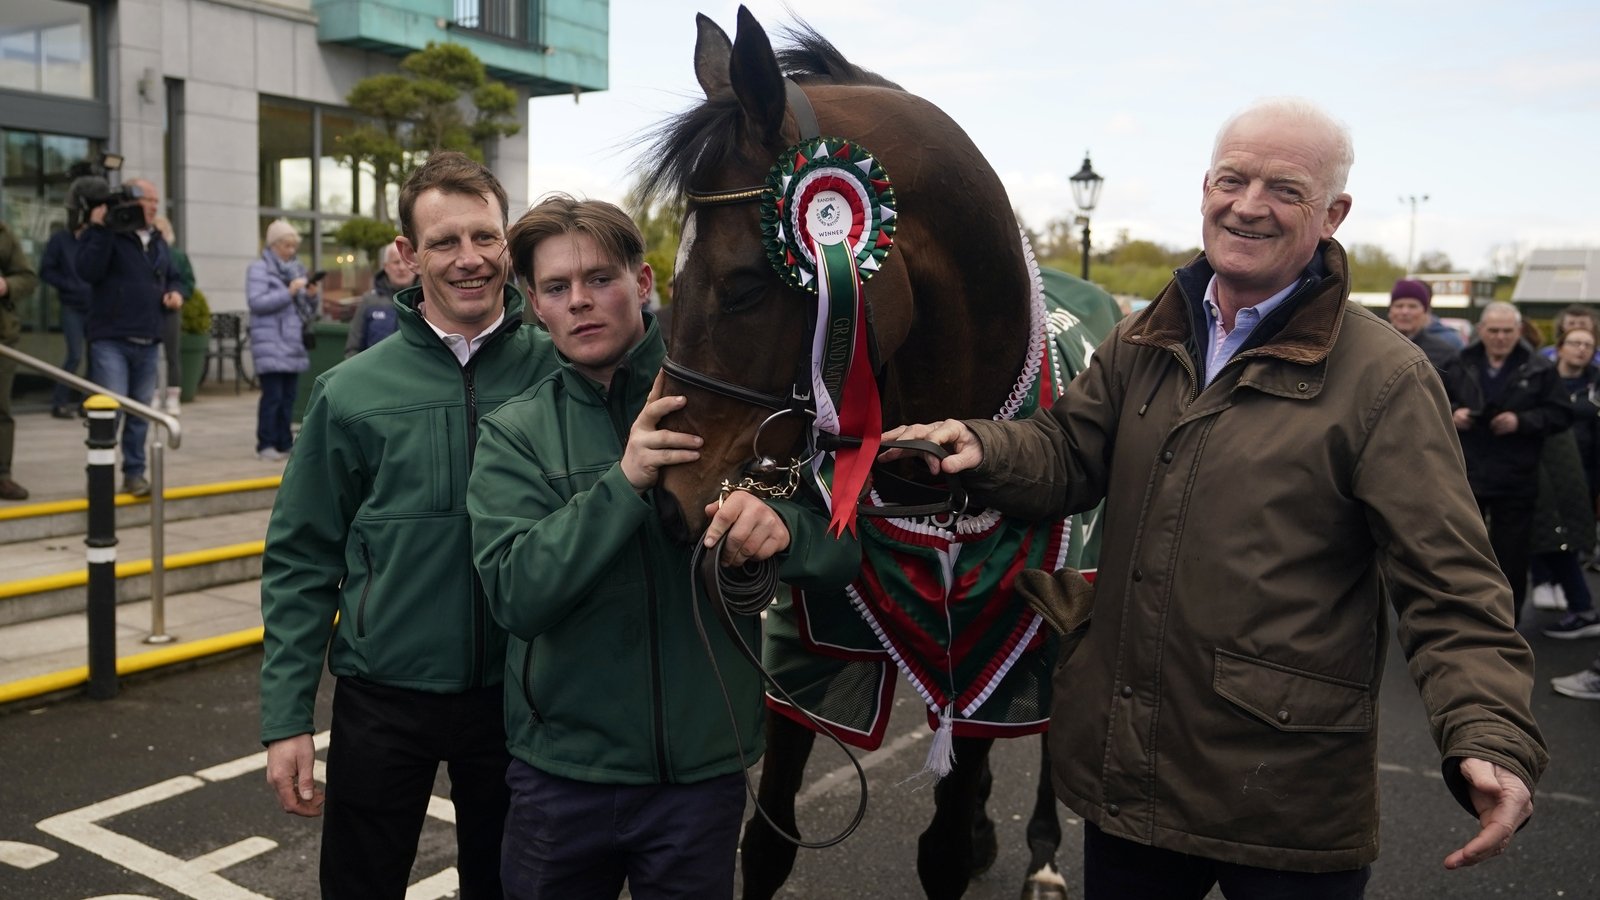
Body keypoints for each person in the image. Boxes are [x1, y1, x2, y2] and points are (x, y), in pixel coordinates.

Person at [885, 98, 1546, 898]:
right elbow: (1068, 455)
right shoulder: (1146, 336)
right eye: (1232, 179)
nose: (1249, 204)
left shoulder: (1387, 379)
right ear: (1205, 188)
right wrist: (984, 443)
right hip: (1131, 782)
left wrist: (1487, 732)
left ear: (1333, 214)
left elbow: (1452, 585)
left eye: (1285, 188)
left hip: (1283, 802)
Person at [468, 195, 859, 899]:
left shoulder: (738, 404)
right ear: (534, 303)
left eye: (600, 279)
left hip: (700, 780)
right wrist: (624, 482)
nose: (581, 302)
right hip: (562, 779)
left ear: (643, 284)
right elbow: (517, 595)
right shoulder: (514, 431)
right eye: (557, 288)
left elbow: (841, 551)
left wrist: (782, 531)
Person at [258, 152, 558, 900]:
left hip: (526, 694)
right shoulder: (350, 391)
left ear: (509, 242)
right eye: (445, 241)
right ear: (407, 255)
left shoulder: (563, 373)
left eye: (485, 238)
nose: (469, 260)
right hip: (383, 698)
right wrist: (286, 719)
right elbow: (301, 558)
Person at [1441, 301, 1572, 624]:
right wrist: (1453, 412)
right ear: (1481, 330)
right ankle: (1461, 620)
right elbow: (1434, 400)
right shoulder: (1460, 362)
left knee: (1511, 557)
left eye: (1507, 331)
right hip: (1467, 473)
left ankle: (1506, 624)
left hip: (1516, 476)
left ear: (1519, 331)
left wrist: (1521, 421)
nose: (1500, 337)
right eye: (1494, 330)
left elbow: (1560, 413)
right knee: (1461, 552)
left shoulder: (1538, 367)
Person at [75, 177, 182, 498]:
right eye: (148, 200)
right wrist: (105, 229)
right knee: (110, 410)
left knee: (140, 415)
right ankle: (100, 473)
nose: (153, 207)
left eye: (156, 202)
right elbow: (87, 271)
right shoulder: (104, 234)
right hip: (111, 337)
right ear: (131, 201)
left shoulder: (157, 239)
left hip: (149, 338)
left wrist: (176, 292)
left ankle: (134, 474)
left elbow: (174, 275)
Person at [1530, 326, 1600, 633]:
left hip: (1583, 474)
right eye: (1575, 343)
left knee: (1563, 541)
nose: (1581, 349)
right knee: (1548, 537)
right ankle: (1560, 593)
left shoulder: (1595, 385)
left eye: (1588, 344)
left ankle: (1581, 607)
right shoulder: (1542, 381)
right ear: (1559, 347)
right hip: (1545, 470)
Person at [246, 220, 318, 461]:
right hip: (270, 341)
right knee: (272, 396)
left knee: (289, 396)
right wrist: (288, 292)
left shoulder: (296, 269)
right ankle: (265, 443)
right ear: (274, 245)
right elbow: (257, 303)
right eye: (286, 245)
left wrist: (310, 296)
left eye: (293, 246)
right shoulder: (259, 269)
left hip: (292, 341)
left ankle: (284, 442)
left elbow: (306, 309)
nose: (291, 251)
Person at [0, 217, 39, 501]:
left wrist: (5, 285)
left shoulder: (3, 233)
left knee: (0, 408)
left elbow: (27, 277)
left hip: (2, 337)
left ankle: (2, 475)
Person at [39, 220, 90, 419]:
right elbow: (46, 270)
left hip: (94, 307)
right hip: (71, 306)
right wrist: (67, 285)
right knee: (75, 355)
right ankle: (59, 402)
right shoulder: (60, 240)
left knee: (95, 357)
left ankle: (86, 403)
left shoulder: (95, 239)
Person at [343, 242, 415, 358]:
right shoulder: (369, 301)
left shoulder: (426, 301)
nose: (401, 268)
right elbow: (353, 349)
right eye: (396, 262)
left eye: (405, 262)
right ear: (386, 267)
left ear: (414, 265)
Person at [154, 216, 195, 415]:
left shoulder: (177, 256)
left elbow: (187, 281)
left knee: (172, 353)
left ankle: (172, 396)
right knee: (151, 353)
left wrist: (179, 295)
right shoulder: (148, 254)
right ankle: (152, 394)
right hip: (152, 309)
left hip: (171, 309)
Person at [1386, 278, 1456, 369]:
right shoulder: (1376, 347)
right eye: (1399, 306)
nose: (1404, 312)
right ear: (1390, 311)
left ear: (1425, 312)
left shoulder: (1445, 354)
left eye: (1412, 306)